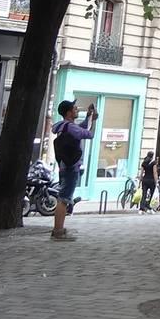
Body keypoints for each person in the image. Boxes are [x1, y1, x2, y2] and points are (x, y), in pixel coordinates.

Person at [51, 100, 97, 241]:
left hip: (64, 166)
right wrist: (93, 121)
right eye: (74, 108)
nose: (77, 109)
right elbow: (89, 134)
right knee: (64, 199)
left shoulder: (63, 126)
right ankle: (58, 231)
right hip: (71, 167)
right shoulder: (71, 127)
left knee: (64, 197)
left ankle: (59, 229)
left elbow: (81, 128)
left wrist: (89, 117)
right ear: (68, 112)